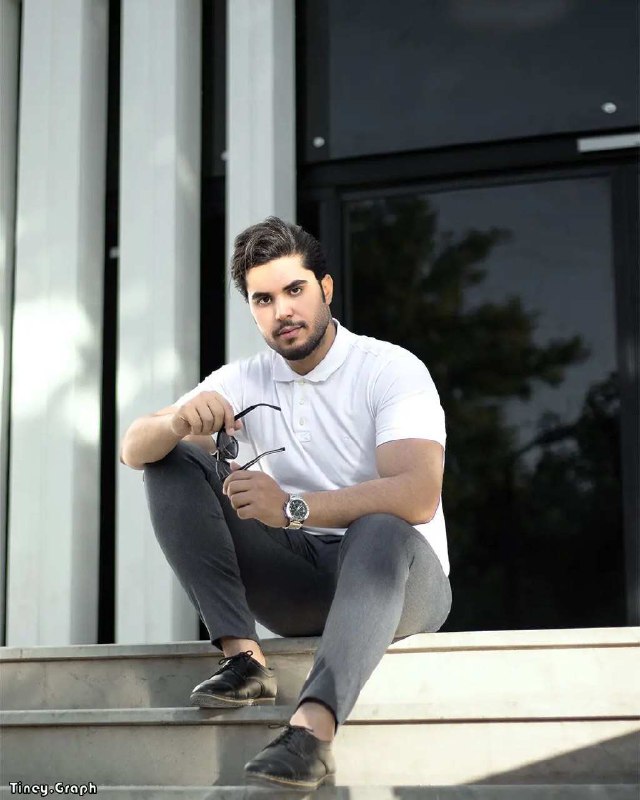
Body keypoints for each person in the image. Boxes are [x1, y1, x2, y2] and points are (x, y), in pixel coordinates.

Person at [120, 216, 452, 790]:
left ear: (325, 288)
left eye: (295, 290)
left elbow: (417, 495)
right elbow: (133, 449)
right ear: (252, 310)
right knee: (169, 457)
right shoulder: (243, 380)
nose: (283, 311)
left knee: (378, 523)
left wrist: (294, 507)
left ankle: (311, 732)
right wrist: (176, 422)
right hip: (299, 583)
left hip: (399, 579)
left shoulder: (390, 369)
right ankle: (243, 659)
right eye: (264, 299)